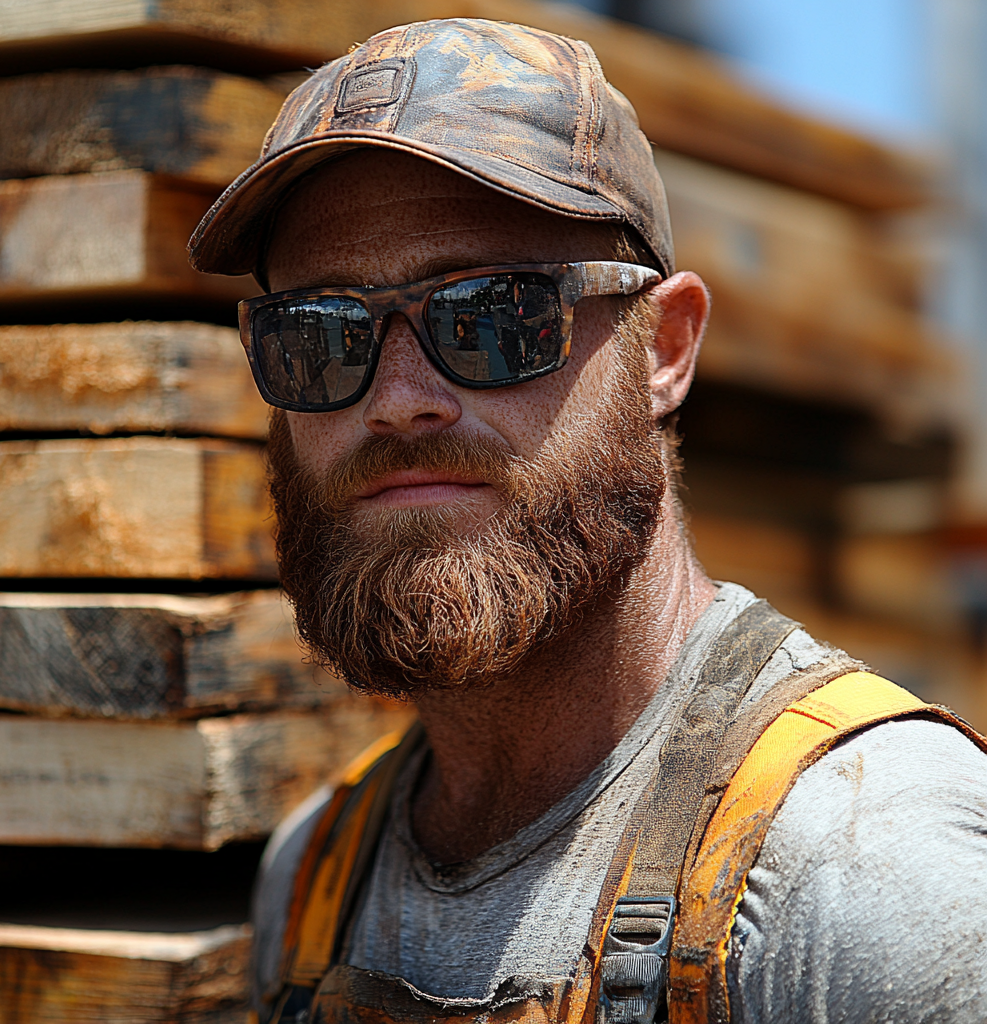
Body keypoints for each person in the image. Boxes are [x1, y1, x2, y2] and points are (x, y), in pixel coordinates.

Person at [188, 19, 987, 1024]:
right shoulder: (314, 874)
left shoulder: (862, 870)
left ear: (665, 349)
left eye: (491, 314)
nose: (395, 397)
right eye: (322, 334)